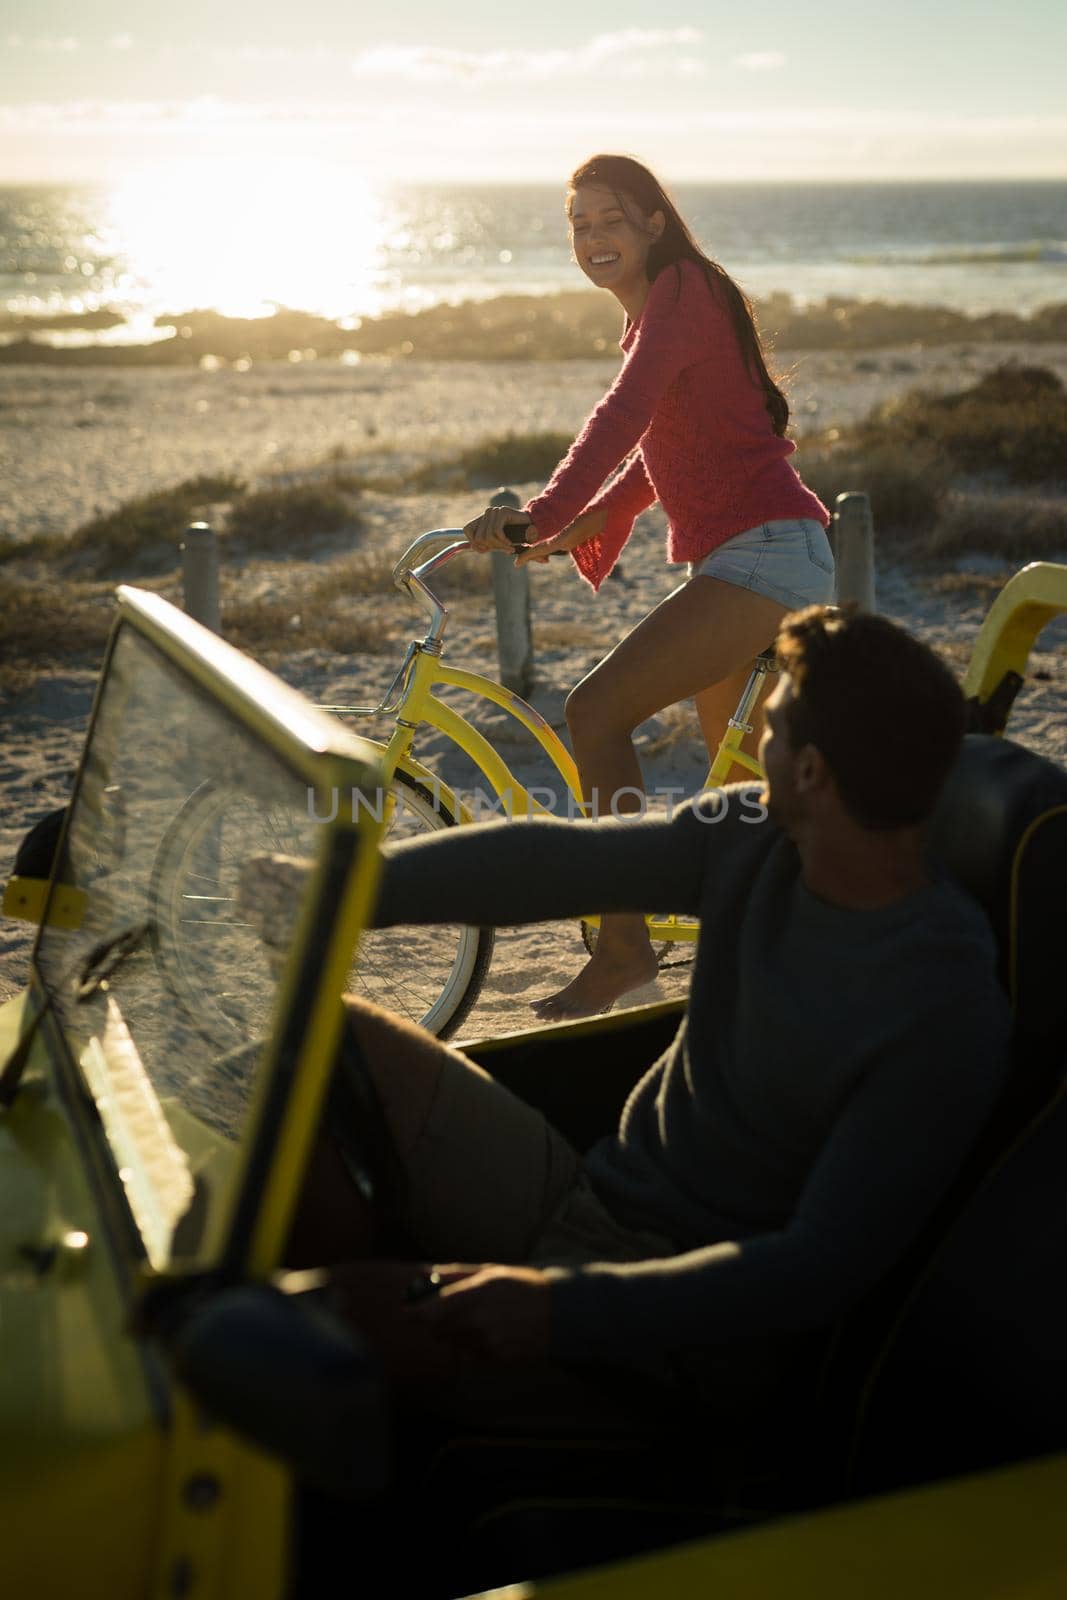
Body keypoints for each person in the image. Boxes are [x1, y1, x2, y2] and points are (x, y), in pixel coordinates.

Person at [284, 607, 1010, 1438]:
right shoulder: (754, 834)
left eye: (768, 726)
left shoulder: (941, 1009)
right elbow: (550, 863)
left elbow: (814, 1270)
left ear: (809, 772)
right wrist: (346, 891)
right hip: (590, 1198)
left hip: (695, 1338)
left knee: (317, 1332)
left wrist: (559, 1307)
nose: (749, 747)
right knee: (322, 1039)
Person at [461, 153, 834, 1021]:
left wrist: (545, 507)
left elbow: (624, 412)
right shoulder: (667, 307)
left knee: (595, 712)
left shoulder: (681, 294)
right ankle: (798, 956)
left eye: (610, 220)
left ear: (653, 224)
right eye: (578, 223)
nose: (592, 237)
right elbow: (667, 438)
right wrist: (588, 520)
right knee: (756, 787)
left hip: (764, 557)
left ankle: (624, 950)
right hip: (764, 556)